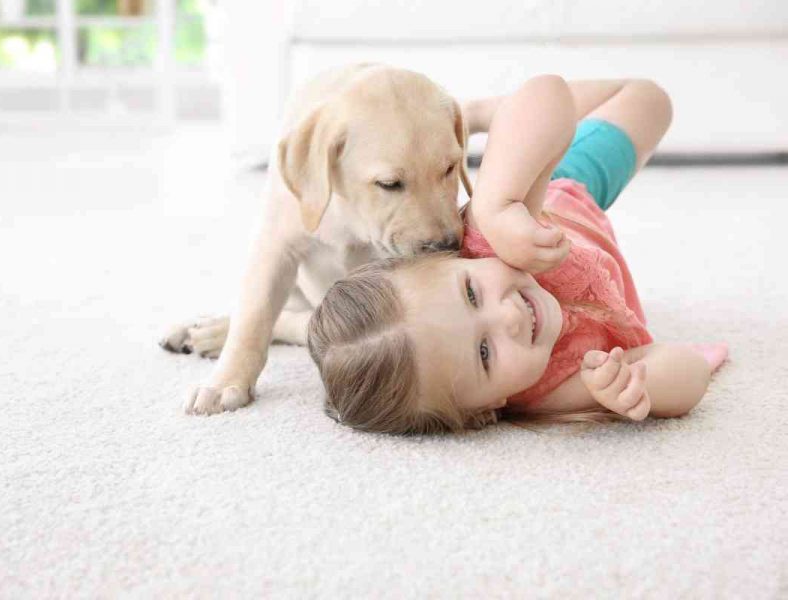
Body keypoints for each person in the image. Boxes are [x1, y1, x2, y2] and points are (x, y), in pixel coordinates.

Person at [306, 75, 729, 435]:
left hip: (562, 194)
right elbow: (689, 371)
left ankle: (476, 117)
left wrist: (497, 204)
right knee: (650, 98)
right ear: (486, 411)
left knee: (648, 100)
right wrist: (638, 385)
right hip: (595, 227)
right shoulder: (552, 389)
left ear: (457, 261)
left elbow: (547, 93)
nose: (507, 316)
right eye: (484, 353)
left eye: (472, 293)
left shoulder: (492, 240)